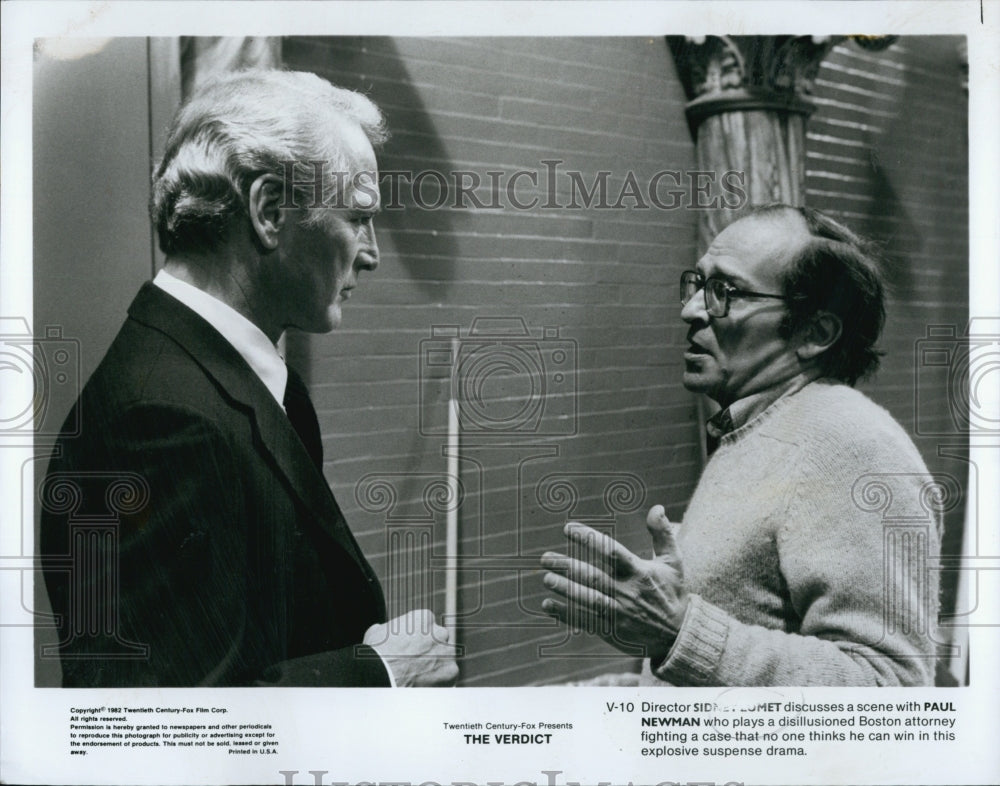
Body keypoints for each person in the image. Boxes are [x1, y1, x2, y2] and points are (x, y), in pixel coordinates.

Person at [39, 69, 457, 688]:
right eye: (358, 217)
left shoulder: (226, 380)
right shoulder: (159, 423)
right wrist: (381, 674)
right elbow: (160, 736)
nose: (370, 253)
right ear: (268, 210)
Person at [541, 205, 941, 686]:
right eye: (699, 284)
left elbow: (892, 689)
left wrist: (678, 634)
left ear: (815, 333)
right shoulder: (758, 426)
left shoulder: (852, 448)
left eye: (724, 292)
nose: (690, 310)